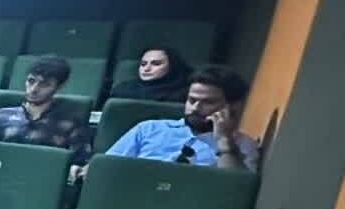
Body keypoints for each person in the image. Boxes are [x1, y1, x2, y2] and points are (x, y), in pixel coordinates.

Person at [105, 66, 259, 170]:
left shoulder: (243, 145)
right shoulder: (148, 129)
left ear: (232, 106)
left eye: (208, 102)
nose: (196, 108)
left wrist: (224, 143)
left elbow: (236, 190)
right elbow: (106, 169)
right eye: (192, 100)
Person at [0, 55, 91, 165]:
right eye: (31, 81)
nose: (33, 89)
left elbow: (79, 163)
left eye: (44, 84)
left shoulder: (71, 125)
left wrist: (77, 168)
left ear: (59, 87)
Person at [109, 46, 191, 103]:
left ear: (172, 66)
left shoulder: (185, 94)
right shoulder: (122, 90)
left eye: (156, 64)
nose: (147, 69)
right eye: (143, 64)